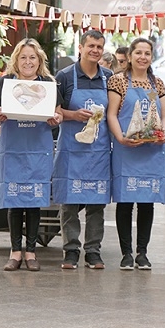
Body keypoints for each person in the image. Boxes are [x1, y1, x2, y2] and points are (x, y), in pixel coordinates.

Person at [0, 38, 63, 271]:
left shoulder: (48, 84)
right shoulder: (6, 83)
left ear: (39, 60)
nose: (28, 62)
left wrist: (56, 118)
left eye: (32, 57)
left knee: (34, 201)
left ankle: (31, 252)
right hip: (13, 149)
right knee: (14, 200)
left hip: (38, 150)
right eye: (23, 57)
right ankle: (15, 252)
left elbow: (58, 113)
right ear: (16, 60)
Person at [107, 38, 165, 270]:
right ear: (130, 56)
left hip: (151, 149)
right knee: (125, 202)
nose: (143, 57)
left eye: (147, 53)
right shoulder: (118, 81)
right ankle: (126, 253)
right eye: (139, 53)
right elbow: (111, 114)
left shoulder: (157, 83)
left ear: (151, 57)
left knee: (146, 202)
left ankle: (142, 253)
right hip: (126, 149)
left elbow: (164, 114)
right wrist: (121, 137)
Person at [54, 29, 113, 270]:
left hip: (99, 151)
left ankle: (93, 250)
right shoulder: (65, 76)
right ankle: (70, 250)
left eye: (99, 47)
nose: (95, 51)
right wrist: (73, 115)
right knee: (69, 202)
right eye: (91, 46)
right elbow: (55, 111)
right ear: (80, 47)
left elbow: (115, 112)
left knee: (96, 202)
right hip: (71, 150)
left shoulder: (109, 78)